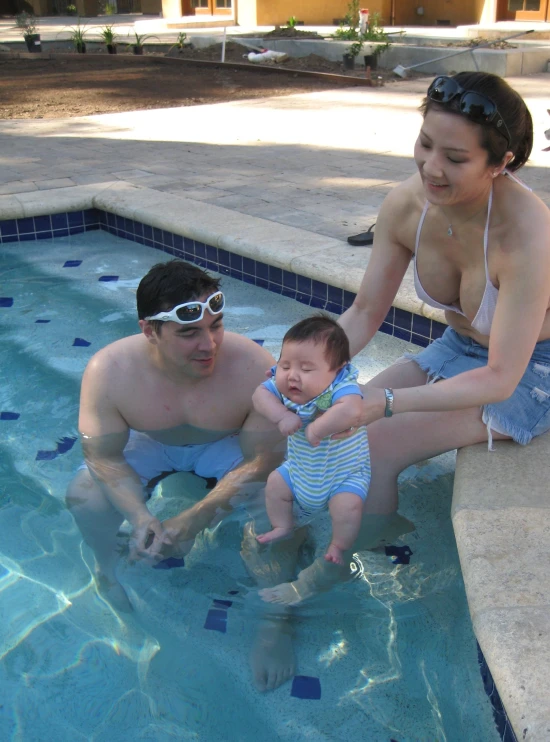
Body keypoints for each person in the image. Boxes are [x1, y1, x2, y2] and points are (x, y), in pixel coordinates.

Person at [251, 71, 550, 607]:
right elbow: (365, 312)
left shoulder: (527, 234)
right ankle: (316, 534)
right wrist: (298, 369)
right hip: (458, 348)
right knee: (321, 425)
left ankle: (356, 580)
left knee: (375, 445)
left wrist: (384, 402)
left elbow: (502, 378)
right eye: (426, 144)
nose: (432, 167)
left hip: (531, 371)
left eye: (456, 159)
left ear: (501, 164)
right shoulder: (407, 206)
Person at [66, 259, 298, 691]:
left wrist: (198, 516)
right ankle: (107, 569)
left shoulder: (252, 366)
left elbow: (264, 459)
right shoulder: (109, 371)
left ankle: (276, 618)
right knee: (84, 495)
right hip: (151, 441)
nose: (209, 344)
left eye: (217, 326)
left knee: (277, 499)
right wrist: (139, 517)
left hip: (226, 445)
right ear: (149, 330)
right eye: (189, 332)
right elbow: (102, 457)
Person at [253, 316, 370, 567]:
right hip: (299, 470)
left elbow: (352, 410)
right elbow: (259, 394)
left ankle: (339, 545)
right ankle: (283, 526)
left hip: (344, 475)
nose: (292, 376)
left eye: (306, 369)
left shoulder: (341, 385)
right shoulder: (282, 385)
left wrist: (318, 429)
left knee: (348, 508)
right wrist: (281, 415)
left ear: (337, 369)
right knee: (275, 484)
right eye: (285, 366)